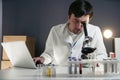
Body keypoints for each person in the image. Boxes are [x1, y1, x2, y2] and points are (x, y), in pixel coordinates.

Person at [33, 0, 108, 65]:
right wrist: (42, 59)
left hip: (83, 73)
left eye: (83, 23)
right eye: (75, 21)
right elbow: (49, 53)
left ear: (89, 19)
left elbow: (102, 55)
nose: (79, 26)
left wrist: (92, 61)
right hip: (60, 73)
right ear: (69, 17)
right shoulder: (55, 31)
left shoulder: (95, 31)